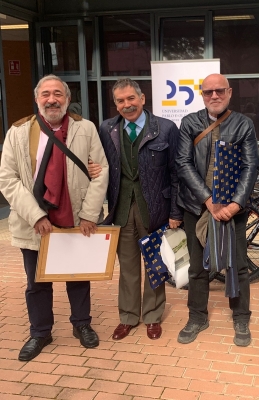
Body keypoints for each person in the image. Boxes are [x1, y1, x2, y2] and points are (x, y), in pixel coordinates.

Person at [0, 74, 109, 361]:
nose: (52, 99)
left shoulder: (85, 129)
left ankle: (82, 325)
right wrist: (35, 215)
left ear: (67, 99)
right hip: (34, 222)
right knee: (37, 282)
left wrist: (88, 214)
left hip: (75, 219)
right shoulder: (18, 132)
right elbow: (7, 179)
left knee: (77, 277)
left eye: (58, 93)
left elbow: (101, 172)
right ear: (37, 99)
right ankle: (40, 332)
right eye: (46, 94)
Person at [175, 73, 259, 346]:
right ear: (202, 94)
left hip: (232, 210)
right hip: (197, 207)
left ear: (229, 92)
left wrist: (235, 204)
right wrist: (208, 201)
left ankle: (241, 315)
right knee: (197, 268)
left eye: (219, 91)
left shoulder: (243, 124)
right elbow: (183, 163)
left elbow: (250, 166)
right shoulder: (190, 123)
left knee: (238, 265)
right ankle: (197, 316)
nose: (214, 96)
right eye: (208, 92)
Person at [98, 78, 182, 341]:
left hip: (155, 209)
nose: (126, 105)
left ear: (142, 99)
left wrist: (175, 213)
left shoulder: (166, 128)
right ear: (115, 104)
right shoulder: (107, 129)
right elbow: (102, 165)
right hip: (121, 210)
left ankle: (153, 316)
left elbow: (176, 173)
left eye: (131, 98)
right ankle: (128, 317)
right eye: (120, 101)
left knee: (155, 266)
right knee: (129, 268)